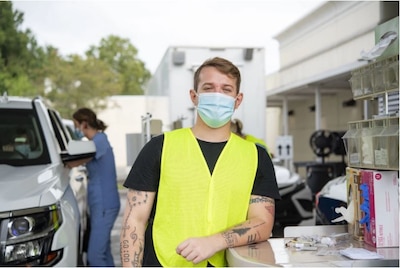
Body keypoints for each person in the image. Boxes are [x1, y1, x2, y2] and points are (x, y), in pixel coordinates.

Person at [120, 57, 281, 267]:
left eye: (226, 89)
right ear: (194, 97)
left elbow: (262, 222)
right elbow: (134, 221)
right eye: (208, 88)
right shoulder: (160, 147)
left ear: (238, 99)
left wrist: (214, 242)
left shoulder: (256, 156)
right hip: (164, 261)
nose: (217, 95)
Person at [71, 108, 120, 267]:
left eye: (76, 125)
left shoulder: (98, 142)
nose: (76, 129)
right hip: (103, 205)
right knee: (103, 252)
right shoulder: (99, 140)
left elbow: (74, 162)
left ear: (84, 124)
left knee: (95, 256)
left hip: (104, 205)